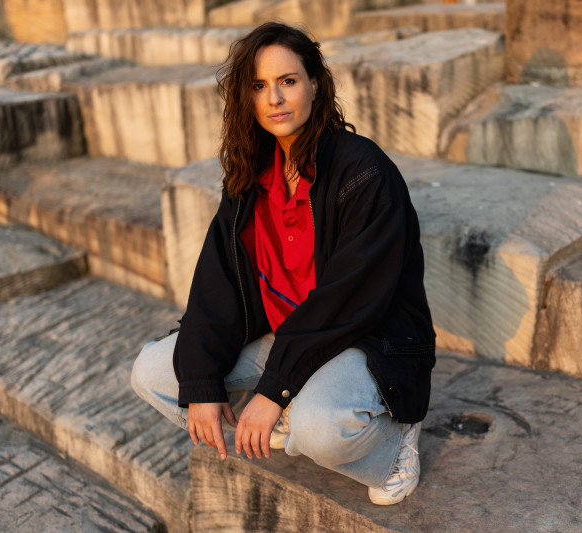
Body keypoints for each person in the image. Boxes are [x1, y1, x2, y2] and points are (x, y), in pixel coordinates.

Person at [131, 21, 435, 506]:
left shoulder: (365, 172)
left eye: (288, 81)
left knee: (320, 429)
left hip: (363, 337)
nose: (274, 98)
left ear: (315, 83)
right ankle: (295, 405)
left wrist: (275, 391)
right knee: (156, 374)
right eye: (259, 86)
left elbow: (349, 300)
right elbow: (219, 284)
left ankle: (395, 445)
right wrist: (204, 382)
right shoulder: (251, 173)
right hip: (284, 334)